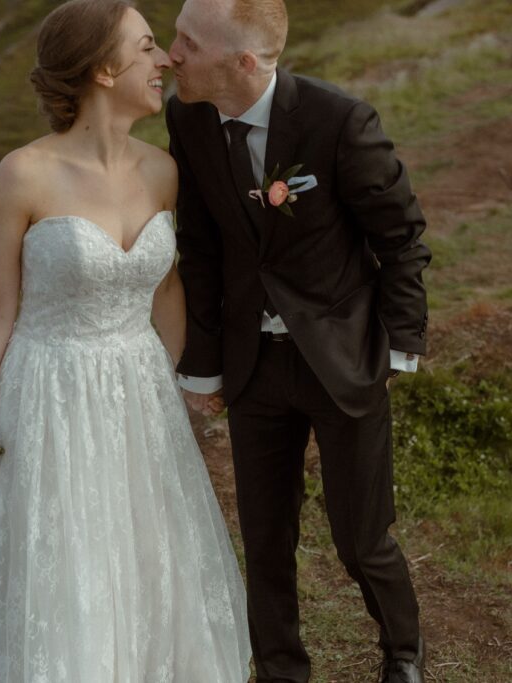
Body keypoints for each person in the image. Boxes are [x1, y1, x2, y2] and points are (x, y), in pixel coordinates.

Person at [0, 1, 252, 680]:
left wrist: (196, 381)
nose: (164, 59)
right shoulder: (25, 174)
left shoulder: (163, 170)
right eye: (145, 47)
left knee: (145, 542)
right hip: (47, 392)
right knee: (70, 550)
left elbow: (164, 292)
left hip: (140, 390)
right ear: (104, 70)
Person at [166, 0, 431, 681]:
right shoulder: (187, 118)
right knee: (265, 536)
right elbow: (197, 245)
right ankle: (281, 668)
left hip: (343, 358)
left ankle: (402, 655)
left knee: (361, 538)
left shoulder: (339, 121)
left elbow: (400, 237)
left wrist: (399, 345)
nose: (171, 54)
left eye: (187, 43)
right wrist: (203, 363)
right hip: (253, 365)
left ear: (242, 62)